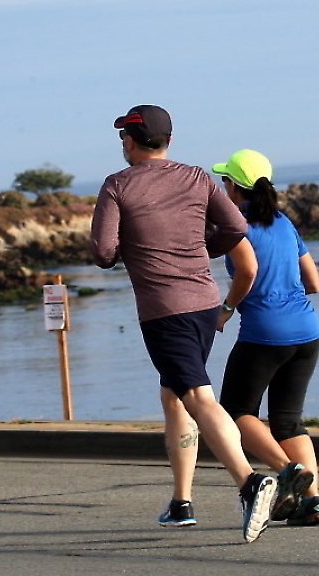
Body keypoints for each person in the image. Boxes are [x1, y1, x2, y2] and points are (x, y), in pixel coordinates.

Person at [90, 104, 276, 543]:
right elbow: (236, 226)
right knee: (173, 394)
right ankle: (181, 502)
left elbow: (102, 252)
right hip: (205, 305)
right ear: (168, 140)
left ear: (131, 140)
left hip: (165, 311)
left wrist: (131, 248)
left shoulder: (117, 185)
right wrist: (203, 248)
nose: (122, 143)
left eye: (123, 137)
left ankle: (250, 482)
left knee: (196, 395)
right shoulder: (197, 177)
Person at [213, 149, 319, 527]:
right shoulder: (284, 222)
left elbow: (246, 272)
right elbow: (313, 281)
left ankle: (288, 470)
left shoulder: (236, 226)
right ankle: (314, 502)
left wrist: (226, 308)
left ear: (234, 186)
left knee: (234, 412)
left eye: (225, 181)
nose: (222, 187)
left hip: (265, 333)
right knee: (288, 422)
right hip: (307, 331)